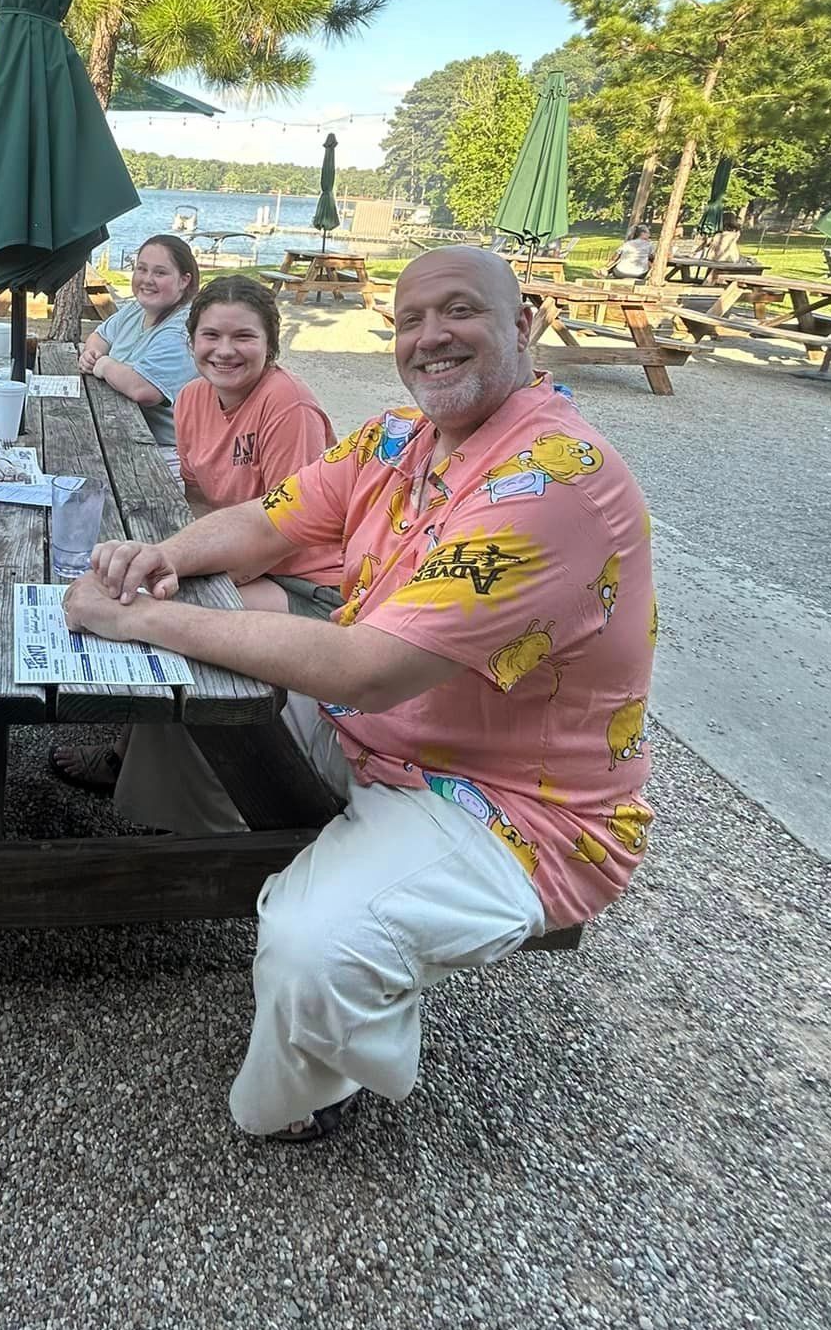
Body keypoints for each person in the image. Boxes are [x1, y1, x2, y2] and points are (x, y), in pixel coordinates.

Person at [63, 249, 656, 1142]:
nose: (431, 336)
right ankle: (259, 865)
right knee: (181, 702)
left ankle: (313, 1087)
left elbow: (366, 666)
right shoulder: (397, 439)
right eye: (411, 319)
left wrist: (141, 617)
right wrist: (162, 558)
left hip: (511, 805)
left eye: (460, 311)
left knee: (314, 947)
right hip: (381, 735)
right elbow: (269, 518)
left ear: (523, 325)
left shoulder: (555, 481)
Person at [54, 273, 346, 815]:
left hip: (309, 583)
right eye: (211, 336)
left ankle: (226, 801)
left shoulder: (289, 407)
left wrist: (197, 575)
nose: (225, 350)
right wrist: (177, 558)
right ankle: (137, 761)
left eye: (244, 337)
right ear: (191, 342)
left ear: (270, 345)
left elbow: (289, 531)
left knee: (168, 613)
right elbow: (196, 498)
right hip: (248, 564)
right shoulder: (191, 398)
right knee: (144, 593)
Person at [77, 234, 199, 471]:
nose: (147, 280)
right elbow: (99, 337)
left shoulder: (184, 328)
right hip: (123, 429)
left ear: (184, 280)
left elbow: (144, 389)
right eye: (141, 269)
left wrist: (102, 365)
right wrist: (92, 354)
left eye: (160, 273)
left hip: (166, 449)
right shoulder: (137, 309)